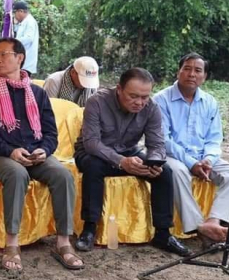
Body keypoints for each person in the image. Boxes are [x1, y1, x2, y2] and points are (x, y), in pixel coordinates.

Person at [0, 38, 82, 271]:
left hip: (36, 153)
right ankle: (12, 243)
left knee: (63, 175)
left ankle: (63, 241)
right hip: (2, 154)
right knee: (17, 175)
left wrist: (45, 150)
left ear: (20, 58)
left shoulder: (37, 92)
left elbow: (50, 133)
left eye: (3, 55)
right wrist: (11, 151)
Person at [74, 68, 190, 256]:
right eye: (133, 96)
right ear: (119, 89)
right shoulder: (97, 102)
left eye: (144, 97)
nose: (139, 102)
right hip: (95, 154)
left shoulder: (151, 107)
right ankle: (89, 229)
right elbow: (92, 143)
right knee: (93, 167)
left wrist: (155, 162)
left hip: (129, 151)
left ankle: (163, 233)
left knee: (165, 172)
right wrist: (121, 161)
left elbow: (157, 143)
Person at [153, 53, 229, 243]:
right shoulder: (161, 100)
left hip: (202, 157)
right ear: (178, 72)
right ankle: (198, 226)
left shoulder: (210, 102)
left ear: (205, 76)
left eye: (197, 70)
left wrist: (208, 160)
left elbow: (214, 139)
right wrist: (192, 163)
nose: (192, 74)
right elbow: (164, 139)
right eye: (187, 69)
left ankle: (213, 221)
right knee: (176, 171)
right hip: (170, 155)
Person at [12, 1, 39, 76]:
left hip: (26, 61)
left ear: (21, 11)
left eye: (15, 13)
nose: (14, 15)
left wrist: (13, 42)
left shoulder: (30, 22)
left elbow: (28, 38)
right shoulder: (24, 22)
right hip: (22, 60)